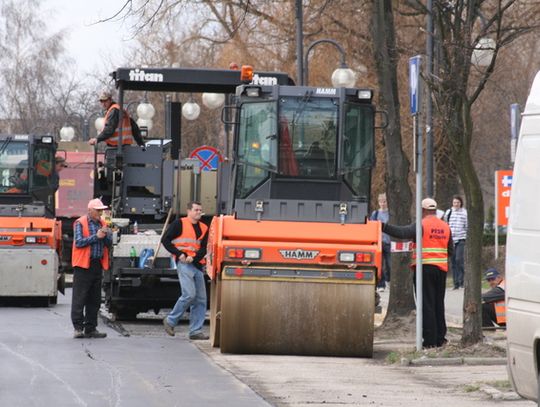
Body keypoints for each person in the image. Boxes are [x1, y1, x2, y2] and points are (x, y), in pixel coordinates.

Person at [382, 197, 453, 348]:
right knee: (438, 304)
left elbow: (402, 232)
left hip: (424, 269)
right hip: (441, 270)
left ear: (423, 210)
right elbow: (450, 250)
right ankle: (441, 338)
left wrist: (383, 227)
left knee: (426, 304)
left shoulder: (422, 224)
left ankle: (429, 341)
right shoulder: (445, 226)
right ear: (435, 209)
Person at [161, 201, 209, 340]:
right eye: (196, 210)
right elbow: (166, 240)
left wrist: (193, 258)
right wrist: (179, 254)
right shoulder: (179, 224)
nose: (199, 212)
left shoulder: (204, 228)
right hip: (184, 264)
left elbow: (204, 248)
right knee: (189, 294)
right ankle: (170, 320)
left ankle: (195, 331)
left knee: (201, 300)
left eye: (200, 210)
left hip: (197, 264)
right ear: (189, 211)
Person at [71, 198, 112, 339]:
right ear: (90, 210)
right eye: (98, 210)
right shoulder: (80, 223)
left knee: (94, 299)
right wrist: (97, 236)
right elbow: (79, 242)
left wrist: (106, 235)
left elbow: (108, 243)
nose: (100, 213)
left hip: (97, 264)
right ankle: (78, 328)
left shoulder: (103, 223)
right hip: (83, 265)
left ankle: (90, 328)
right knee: (79, 298)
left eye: (101, 210)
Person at [444, 195, 468, 289]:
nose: (456, 204)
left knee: (459, 259)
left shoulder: (464, 213)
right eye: (454, 202)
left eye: (458, 202)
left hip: (461, 239)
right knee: (453, 262)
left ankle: (461, 281)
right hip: (450, 240)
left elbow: (467, 226)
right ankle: (456, 283)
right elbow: (445, 224)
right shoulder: (448, 212)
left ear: (461, 203)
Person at [370, 193, 391, 289]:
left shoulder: (390, 214)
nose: (382, 204)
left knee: (390, 264)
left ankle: (389, 279)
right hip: (379, 242)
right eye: (381, 202)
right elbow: (372, 227)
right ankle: (381, 284)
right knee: (380, 264)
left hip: (389, 242)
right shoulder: (376, 214)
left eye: (384, 202)